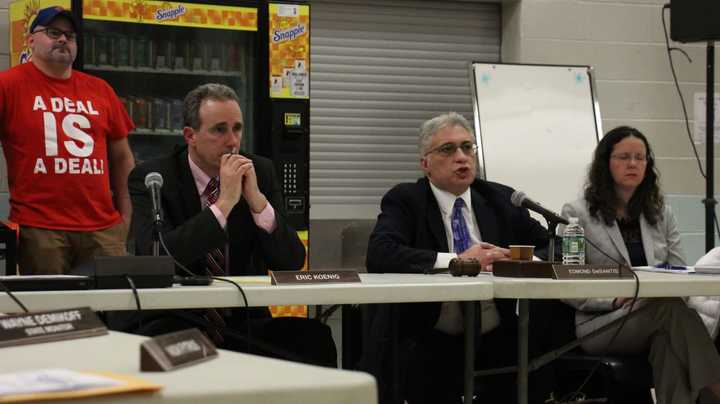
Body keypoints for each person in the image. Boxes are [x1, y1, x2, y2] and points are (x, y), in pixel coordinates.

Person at [123, 83, 336, 367]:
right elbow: (155, 257)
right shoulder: (153, 177)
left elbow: (291, 260)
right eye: (219, 130)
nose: (232, 141)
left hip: (243, 319)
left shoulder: (259, 170)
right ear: (190, 135)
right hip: (176, 319)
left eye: (237, 128)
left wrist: (258, 202)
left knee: (313, 339)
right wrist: (222, 205)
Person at [365, 112, 551, 404]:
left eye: (467, 147)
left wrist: (522, 261)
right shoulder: (406, 199)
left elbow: (555, 244)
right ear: (425, 163)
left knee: (541, 356)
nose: (462, 157)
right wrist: (459, 261)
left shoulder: (499, 198)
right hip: (429, 333)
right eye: (448, 149)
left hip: (495, 331)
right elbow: (380, 252)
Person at [560, 126, 720, 404]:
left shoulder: (661, 214)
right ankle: (715, 387)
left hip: (659, 317)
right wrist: (612, 299)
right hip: (603, 324)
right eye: (623, 157)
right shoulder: (577, 214)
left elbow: (681, 273)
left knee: (668, 346)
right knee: (669, 309)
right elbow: (567, 281)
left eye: (640, 157)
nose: (633, 163)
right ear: (605, 163)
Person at [0, 6, 135, 275]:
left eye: (70, 36)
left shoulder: (100, 90)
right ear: (31, 40)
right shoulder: (9, 85)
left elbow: (122, 157)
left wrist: (127, 218)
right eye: (53, 33)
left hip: (103, 230)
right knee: (51, 313)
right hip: (40, 230)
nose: (63, 40)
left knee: (111, 314)